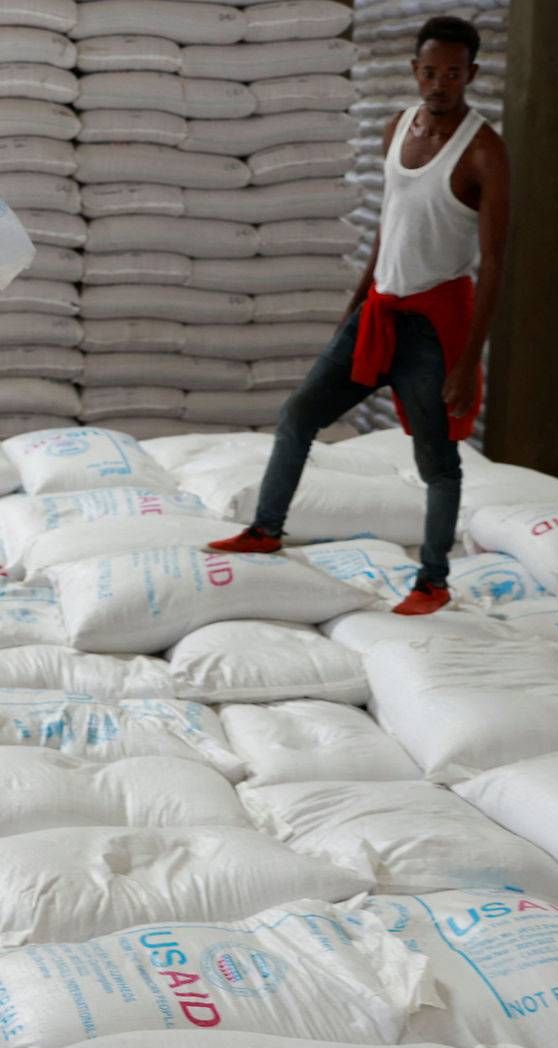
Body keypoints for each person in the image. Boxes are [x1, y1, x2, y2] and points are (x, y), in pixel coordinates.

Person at [208, 15, 510, 616]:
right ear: (414, 71)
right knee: (298, 413)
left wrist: (468, 361)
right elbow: (389, 226)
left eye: (453, 73)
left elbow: (497, 262)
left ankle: (433, 580)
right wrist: (355, 305)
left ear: (471, 74)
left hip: (433, 326)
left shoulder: (484, 152)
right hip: (378, 309)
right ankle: (267, 529)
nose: (439, 83)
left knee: (437, 457)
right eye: (429, 71)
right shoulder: (398, 127)